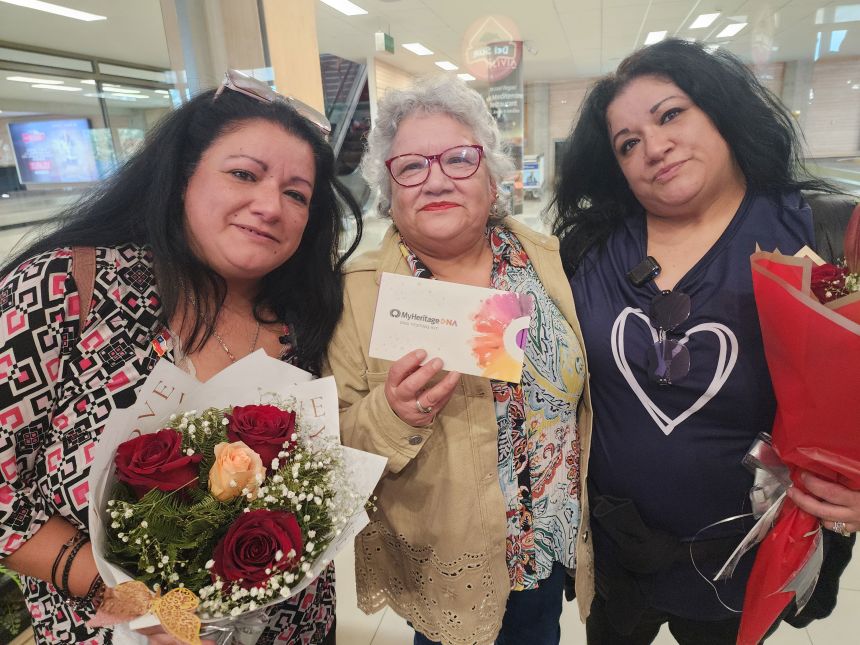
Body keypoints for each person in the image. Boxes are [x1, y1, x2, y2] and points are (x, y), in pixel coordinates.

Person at [0, 69, 362, 644]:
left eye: (297, 194)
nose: (270, 205)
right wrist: (136, 602)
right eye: (244, 173)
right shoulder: (70, 286)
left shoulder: (307, 321)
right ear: (182, 178)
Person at [552, 38, 859, 644]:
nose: (654, 148)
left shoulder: (826, 233)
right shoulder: (588, 250)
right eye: (628, 143)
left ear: (721, 111)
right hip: (617, 552)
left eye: (671, 115)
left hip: (747, 553)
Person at [327, 75, 593, 645]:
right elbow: (331, 446)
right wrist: (392, 412)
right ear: (389, 190)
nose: (436, 180)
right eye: (412, 167)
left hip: (546, 554)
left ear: (492, 177)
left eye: (458, 159)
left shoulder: (549, 261)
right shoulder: (357, 294)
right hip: (447, 567)